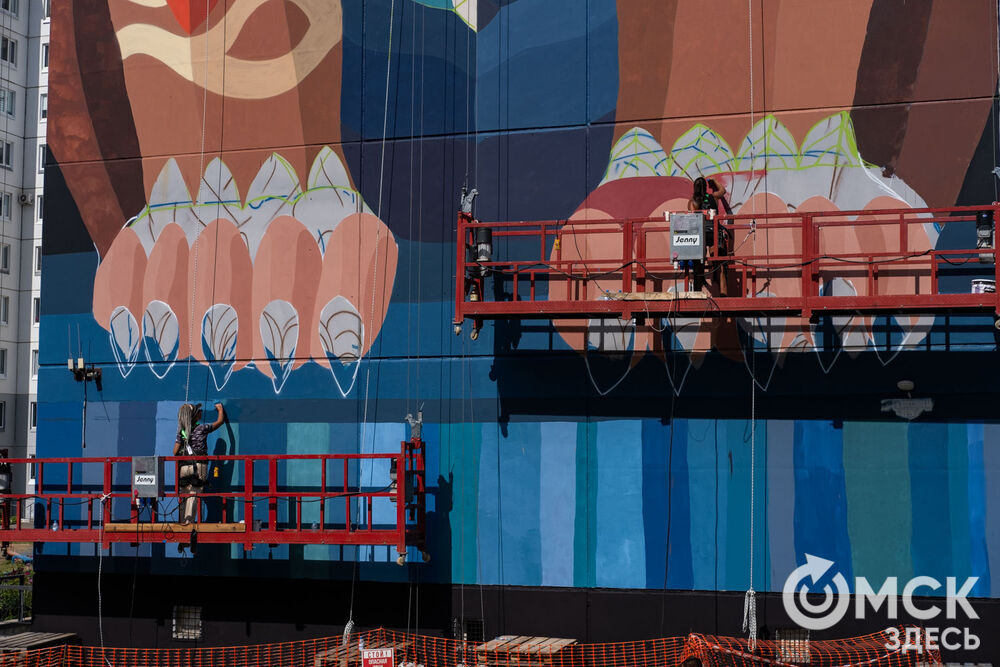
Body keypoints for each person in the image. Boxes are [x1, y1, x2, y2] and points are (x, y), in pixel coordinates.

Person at [174, 402, 225, 526]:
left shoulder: (182, 432)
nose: (201, 412)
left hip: (184, 467)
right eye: (199, 411)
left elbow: (175, 452)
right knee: (193, 495)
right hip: (198, 466)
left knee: (184, 495)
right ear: (196, 416)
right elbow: (219, 422)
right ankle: (187, 525)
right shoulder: (201, 429)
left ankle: (181, 523)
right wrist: (220, 410)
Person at [687, 177, 730, 292]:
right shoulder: (713, 197)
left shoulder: (693, 202)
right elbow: (722, 190)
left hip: (700, 235)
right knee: (720, 265)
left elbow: (692, 220)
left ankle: (697, 293)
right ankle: (723, 295)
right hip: (714, 233)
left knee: (698, 264)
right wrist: (714, 181)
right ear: (705, 188)